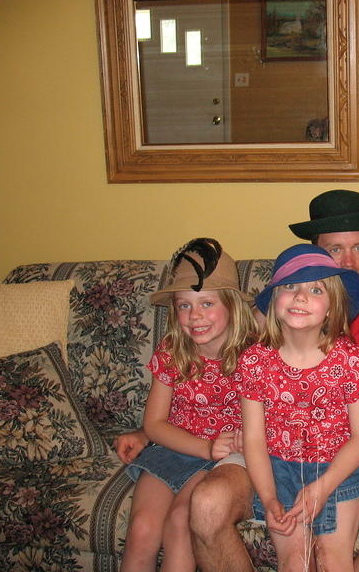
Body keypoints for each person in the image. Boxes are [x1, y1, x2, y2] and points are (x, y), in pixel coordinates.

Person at [117, 190, 359, 571]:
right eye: (334, 251)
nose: (348, 260)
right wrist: (148, 432)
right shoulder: (263, 340)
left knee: (347, 551)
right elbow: (210, 344)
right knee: (216, 524)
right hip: (276, 459)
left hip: (345, 456)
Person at [120, 238, 257, 572]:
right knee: (141, 529)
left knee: (181, 522)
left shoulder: (252, 356)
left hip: (222, 459)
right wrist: (203, 446)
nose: (195, 316)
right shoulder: (172, 352)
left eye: (207, 304)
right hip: (175, 446)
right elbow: (154, 424)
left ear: (232, 306)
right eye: (184, 305)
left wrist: (214, 449)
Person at [241, 244, 359, 571]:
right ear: (275, 301)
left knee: (334, 560)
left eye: (315, 289)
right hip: (278, 469)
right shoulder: (255, 361)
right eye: (290, 287)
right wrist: (269, 496)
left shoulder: (349, 359)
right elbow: (254, 441)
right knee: (295, 562)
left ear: (332, 308)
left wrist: (325, 484)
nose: (300, 296)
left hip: (338, 468)